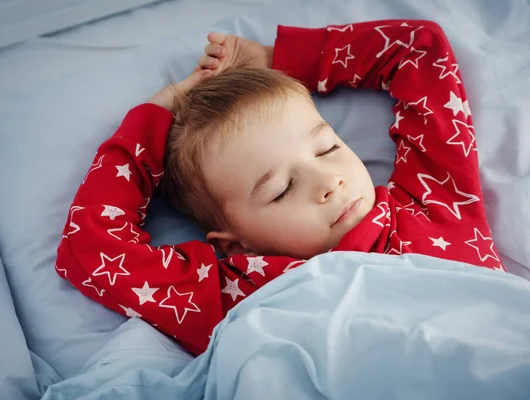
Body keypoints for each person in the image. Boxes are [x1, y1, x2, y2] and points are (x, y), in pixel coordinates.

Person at [55, 19, 504, 355]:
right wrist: (153, 118)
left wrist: (276, 59)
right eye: (281, 190)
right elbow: (90, 249)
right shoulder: (239, 291)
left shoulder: (433, 199)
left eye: (327, 148)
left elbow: (418, 49)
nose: (328, 182)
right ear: (236, 246)